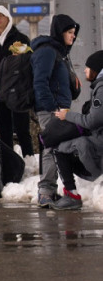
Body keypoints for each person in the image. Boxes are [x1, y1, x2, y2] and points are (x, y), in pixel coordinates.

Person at [32, 14, 80, 208]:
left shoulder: (59, 52)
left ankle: (49, 191)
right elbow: (40, 81)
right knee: (51, 149)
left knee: (56, 148)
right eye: (69, 32)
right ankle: (45, 192)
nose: (73, 36)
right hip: (50, 109)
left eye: (74, 33)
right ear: (60, 33)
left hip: (59, 108)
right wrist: (52, 107)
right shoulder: (47, 51)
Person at [48, 50, 103, 210]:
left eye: (88, 67)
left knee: (59, 148)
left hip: (99, 145)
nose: (85, 70)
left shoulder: (101, 89)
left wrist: (68, 115)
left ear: (97, 69)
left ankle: (71, 194)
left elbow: (92, 121)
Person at [0, 6, 35, 159]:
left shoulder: (21, 39)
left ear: (8, 19)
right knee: (4, 129)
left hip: (18, 91)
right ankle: (8, 162)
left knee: (22, 128)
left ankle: (29, 160)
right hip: (0, 91)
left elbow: (28, 65)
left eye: (2, 16)